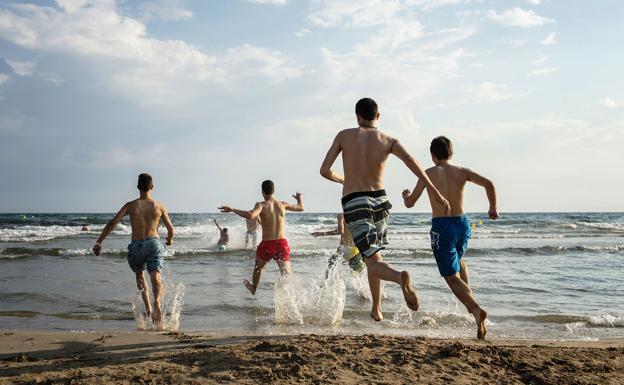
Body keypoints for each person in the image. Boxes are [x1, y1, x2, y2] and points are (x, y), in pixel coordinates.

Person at [319, 97, 451, 322]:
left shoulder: (344, 136)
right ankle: (376, 307)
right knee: (374, 256)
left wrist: (344, 180)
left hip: (354, 201)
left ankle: (400, 278)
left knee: (372, 260)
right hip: (380, 201)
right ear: (378, 116)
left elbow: (324, 170)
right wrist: (435, 192)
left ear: (357, 117)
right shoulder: (388, 140)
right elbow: (412, 162)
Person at [402, 136, 497, 339]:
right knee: (459, 261)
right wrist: (492, 208)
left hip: (442, 227)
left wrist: (405, 195)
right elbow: (489, 184)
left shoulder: (428, 174)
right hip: (462, 225)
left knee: (450, 276)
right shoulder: (462, 172)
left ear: (432, 155)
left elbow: (410, 203)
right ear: (451, 154)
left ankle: (475, 309)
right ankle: (469, 300)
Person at [92, 173, 174, 325]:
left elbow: (113, 223)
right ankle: (157, 302)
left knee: (140, 276)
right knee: (156, 276)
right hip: (154, 243)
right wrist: (169, 240)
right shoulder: (159, 206)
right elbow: (170, 229)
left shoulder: (130, 205)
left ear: (137, 187)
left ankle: (149, 309)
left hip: (136, 246)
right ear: (152, 187)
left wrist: (99, 242)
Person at [218, 180, 303, 295]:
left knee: (258, 268)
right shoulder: (282, 204)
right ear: (274, 191)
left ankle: (253, 288)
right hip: (281, 243)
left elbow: (251, 215)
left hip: (267, 244)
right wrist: (299, 198)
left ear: (262, 192)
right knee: (286, 275)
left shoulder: (261, 205)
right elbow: (300, 207)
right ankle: (292, 295)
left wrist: (233, 209)